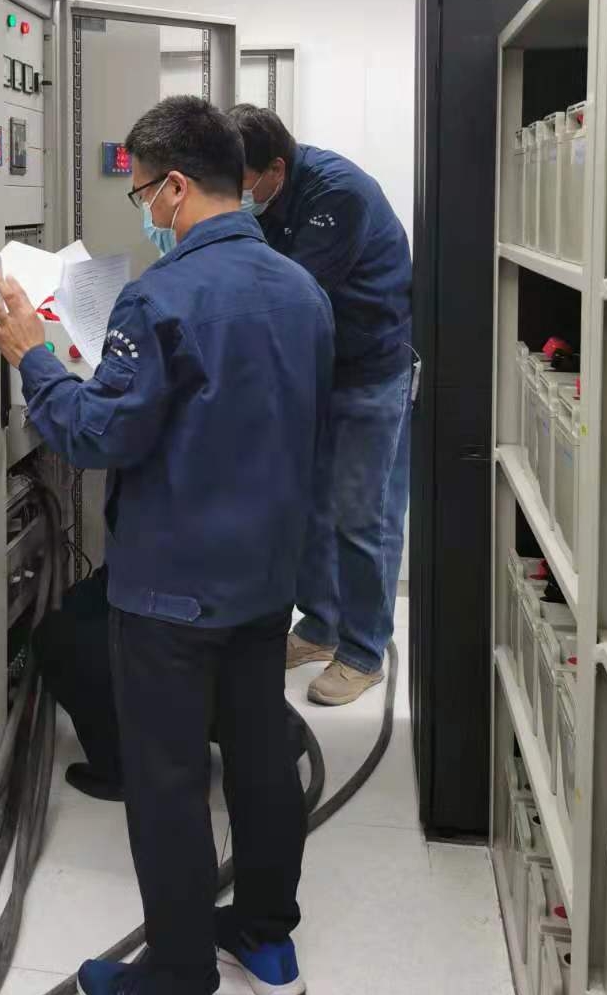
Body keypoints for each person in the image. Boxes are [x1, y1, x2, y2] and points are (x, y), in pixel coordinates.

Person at [0, 97, 333, 995]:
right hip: (264, 579)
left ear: (175, 186)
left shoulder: (161, 296)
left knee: (168, 780)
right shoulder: (301, 290)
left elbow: (99, 436)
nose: (145, 210)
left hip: (171, 591)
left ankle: (177, 972)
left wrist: (33, 357)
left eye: (142, 193)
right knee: (258, 759)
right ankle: (266, 937)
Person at [229, 104, 414, 708]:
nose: (236, 194)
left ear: (276, 170)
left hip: (370, 370)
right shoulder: (271, 195)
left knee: (362, 513)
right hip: (319, 370)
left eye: (242, 182)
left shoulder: (339, 194)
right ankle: (320, 625)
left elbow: (287, 296)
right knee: (310, 504)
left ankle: (363, 651)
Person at [33, 564, 311, 804]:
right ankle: (266, 735)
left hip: (176, 593)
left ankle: (122, 770)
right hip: (253, 585)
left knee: (62, 635)